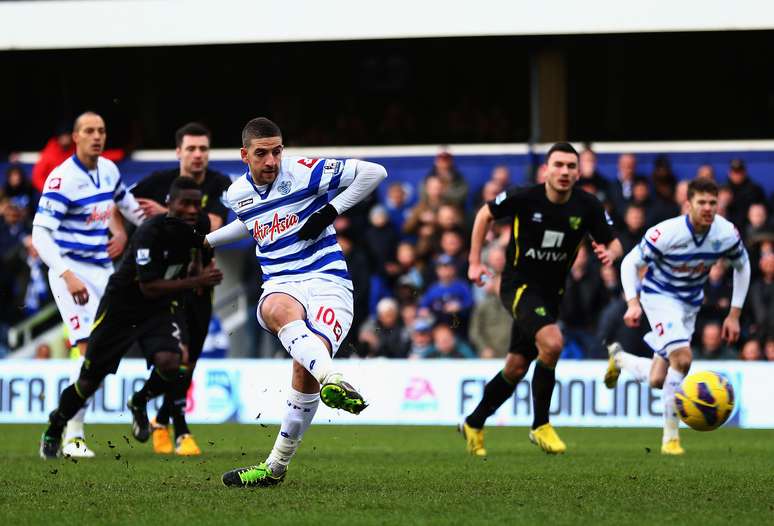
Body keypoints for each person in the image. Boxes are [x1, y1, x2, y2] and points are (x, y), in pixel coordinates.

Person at [204, 117, 386, 487]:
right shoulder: (237, 193)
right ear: (244, 155)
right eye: (262, 154)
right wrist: (206, 242)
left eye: (276, 151)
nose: (272, 161)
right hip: (283, 282)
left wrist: (329, 212)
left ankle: (275, 468)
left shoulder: (303, 171)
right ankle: (332, 377)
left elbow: (374, 173)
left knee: (304, 369)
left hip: (329, 282)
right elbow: (250, 223)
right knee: (274, 309)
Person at [39, 177, 223, 459]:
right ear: (169, 204)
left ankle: (139, 400)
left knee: (173, 362)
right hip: (121, 309)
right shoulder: (149, 232)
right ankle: (56, 423)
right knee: (90, 380)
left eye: (195, 204)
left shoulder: (197, 228)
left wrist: (200, 267)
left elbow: (201, 250)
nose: (190, 209)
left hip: (159, 309)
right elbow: (148, 286)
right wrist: (196, 279)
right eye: (184, 203)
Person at [462, 142, 622, 456]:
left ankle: (474, 421)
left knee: (517, 366)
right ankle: (540, 425)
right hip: (518, 286)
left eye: (570, 166)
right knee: (552, 343)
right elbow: (484, 215)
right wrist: (474, 262)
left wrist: (610, 253)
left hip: (552, 293)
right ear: (546, 169)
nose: (564, 171)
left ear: (578, 172)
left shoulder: (588, 205)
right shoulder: (524, 197)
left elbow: (614, 242)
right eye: (558, 165)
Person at [604, 177, 751, 455]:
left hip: (690, 305)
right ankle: (670, 439)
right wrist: (632, 303)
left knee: (659, 379)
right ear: (688, 204)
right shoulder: (667, 233)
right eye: (701, 202)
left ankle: (619, 359)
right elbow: (629, 263)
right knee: (682, 359)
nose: (708, 208)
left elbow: (742, 267)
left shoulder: (725, 233)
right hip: (659, 298)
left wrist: (734, 314)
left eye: (712, 203)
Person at [32, 111, 143, 458]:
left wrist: (129, 230)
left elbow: (131, 208)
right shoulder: (62, 179)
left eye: (102, 130)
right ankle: (73, 436)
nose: (97, 136)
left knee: (105, 354)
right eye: (89, 131)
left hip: (102, 270)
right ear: (75, 137)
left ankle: (60, 420)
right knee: (89, 351)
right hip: (71, 271)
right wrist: (67, 273)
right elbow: (40, 234)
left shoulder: (108, 170)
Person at [130, 122, 232, 456]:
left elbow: (213, 226)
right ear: (178, 152)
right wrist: (119, 235)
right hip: (168, 283)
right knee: (179, 356)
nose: (198, 155)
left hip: (201, 284)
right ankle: (181, 431)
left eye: (203, 148)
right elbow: (120, 203)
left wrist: (165, 215)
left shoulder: (219, 184)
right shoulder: (157, 182)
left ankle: (151, 409)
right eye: (191, 149)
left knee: (191, 359)